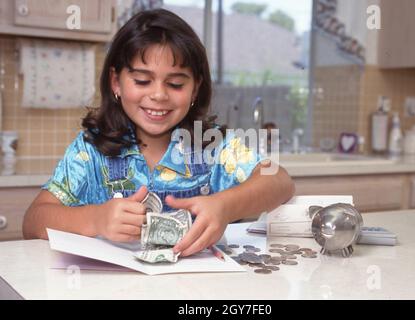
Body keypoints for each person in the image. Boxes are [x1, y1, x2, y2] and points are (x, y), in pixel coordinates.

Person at [23, 9, 294, 257]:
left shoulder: (212, 144)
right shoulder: (91, 149)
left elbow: (280, 182)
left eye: (175, 84)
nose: (158, 95)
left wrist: (225, 205)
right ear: (116, 82)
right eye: (142, 80)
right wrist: (94, 219)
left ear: (195, 89)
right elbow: (33, 220)